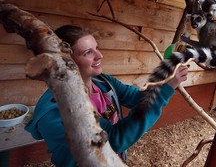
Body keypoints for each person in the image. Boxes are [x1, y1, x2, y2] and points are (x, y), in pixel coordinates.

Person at [25, 25, 188, 166]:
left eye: (97, 48)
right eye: (89, 52)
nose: (99, 55)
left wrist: (168, 81)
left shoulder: (102, 81)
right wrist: (165, 90)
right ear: (66, 61)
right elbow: (113, 139)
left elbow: (137, 99)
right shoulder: (57, 111)